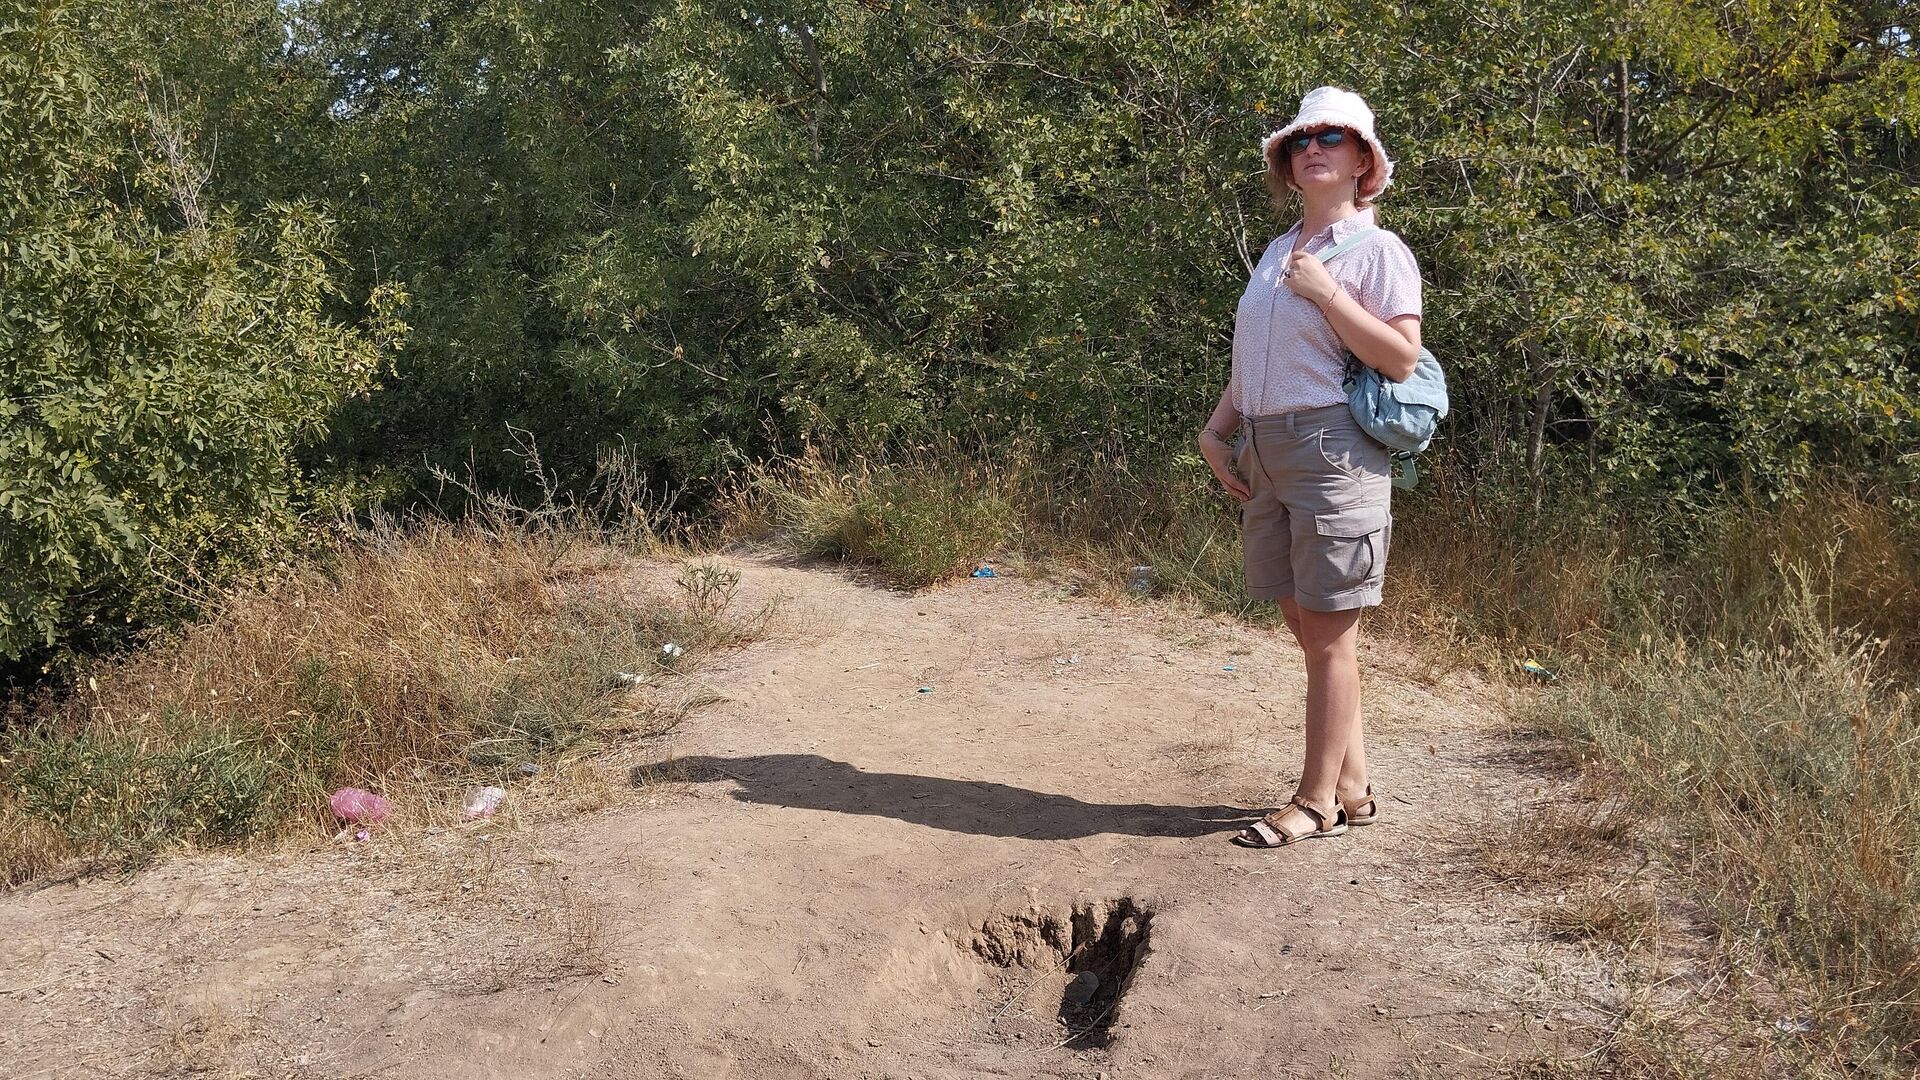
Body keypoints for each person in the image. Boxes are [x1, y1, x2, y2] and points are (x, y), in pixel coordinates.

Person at [1197, 86, 1423, 848]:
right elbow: (1257, 354)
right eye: (1300, 140)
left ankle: (1314, 800)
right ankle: (1354, 787)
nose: (1314, 147)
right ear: (1288, 167)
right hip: (1266, 448)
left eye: (1334, 136)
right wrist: (1218, 428)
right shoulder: (1276, 250)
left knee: (1328, 634)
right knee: (1304, 621)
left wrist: (1328, 296)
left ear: (1363, 161)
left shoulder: (1378, 252)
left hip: (1332, 451)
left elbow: (1398, 357)